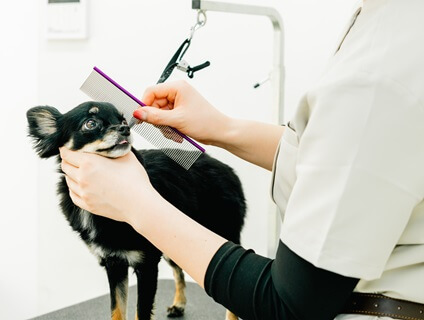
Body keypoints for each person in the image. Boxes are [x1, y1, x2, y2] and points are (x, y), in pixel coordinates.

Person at [60, 0, 424, 319]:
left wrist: (138, 205)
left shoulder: (381, 69)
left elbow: (289, 306)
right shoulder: (384, 22)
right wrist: (222, 128)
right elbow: (340, 158)